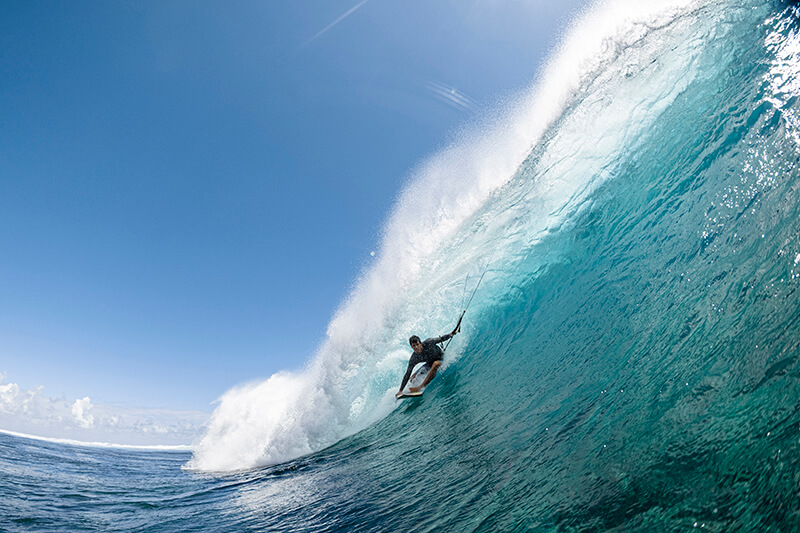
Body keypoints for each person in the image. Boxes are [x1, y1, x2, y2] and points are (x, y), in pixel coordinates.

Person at [396, 325, 459, 397]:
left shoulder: (429, 342)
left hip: (440, 358)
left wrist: (451, 334)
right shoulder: (414, 358)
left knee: (436, 364)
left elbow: (441, 339)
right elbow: (407, 373)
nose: (416, 347)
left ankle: (420, 387)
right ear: (411, 346)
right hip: (429, 363)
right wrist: (400, 390)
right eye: (414, 345)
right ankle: (411, 388)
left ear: (420, 343)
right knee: (412, 377)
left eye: (417, 344)